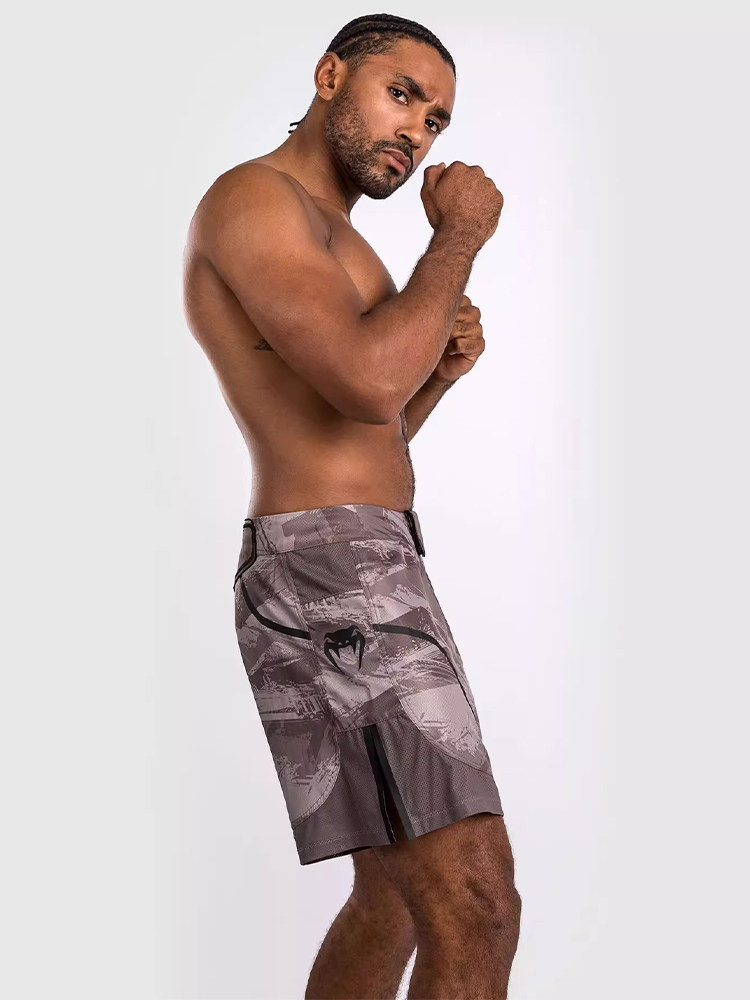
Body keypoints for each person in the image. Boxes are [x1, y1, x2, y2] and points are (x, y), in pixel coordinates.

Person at [182, 12, 522, 999]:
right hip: (335, 570)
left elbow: (362, 429)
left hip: (348, 559)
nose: (417, 131)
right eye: (401, 94)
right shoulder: (255, 200)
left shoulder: (335, 238)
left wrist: (436, 377)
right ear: (330, 75)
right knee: (477, 900)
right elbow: (368, 384)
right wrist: (460, 236)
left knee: (393, 898)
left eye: (437, 120)